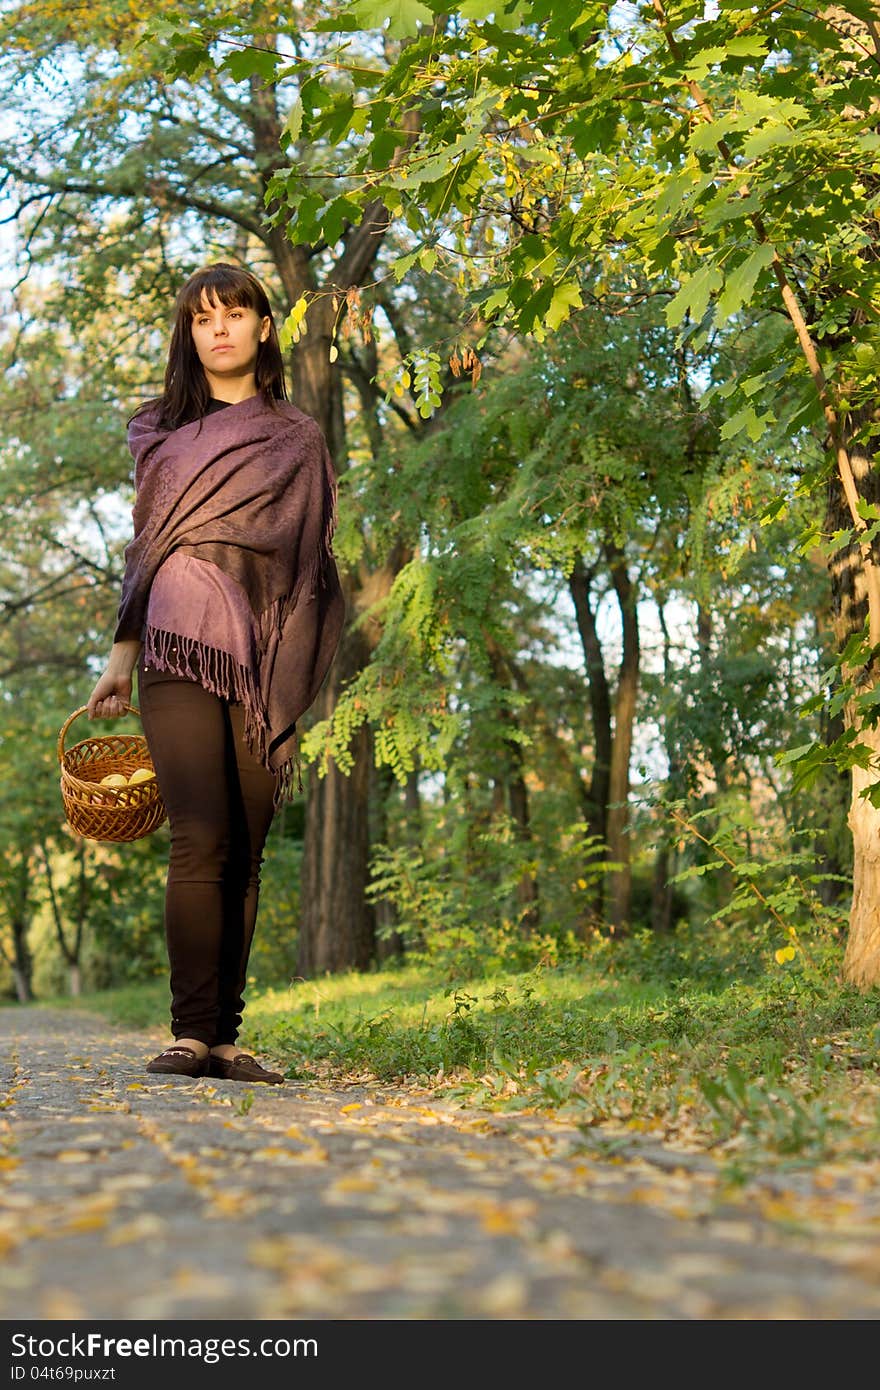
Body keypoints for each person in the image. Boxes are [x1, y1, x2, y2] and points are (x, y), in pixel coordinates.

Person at [87, 262, 346, 1084]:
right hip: (177, 640)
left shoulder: (296, 435)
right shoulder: (159, 430)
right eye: (204, 319)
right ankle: (190, 1034)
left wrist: (292, 652)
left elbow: (308, 557)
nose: (221, 329)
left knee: (248, 847)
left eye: (236, 314)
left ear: (264, 327)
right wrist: (120, 658)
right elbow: (145, 550)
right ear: (189, 333)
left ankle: (227, 1038)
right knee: (200, 837)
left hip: (265, 650)